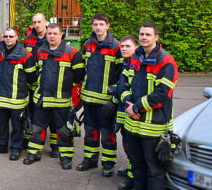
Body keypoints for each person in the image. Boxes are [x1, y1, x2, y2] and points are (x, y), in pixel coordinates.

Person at [121, 22, 177, 190]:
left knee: (154, 170)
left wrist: (136, 108)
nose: (144, 37)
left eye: (148, 34)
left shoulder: (166, 61)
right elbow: (123, 84)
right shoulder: (135, 58)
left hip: (153, 126)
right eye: (141, 34)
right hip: (133, 124)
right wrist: (127, 104)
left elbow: (162, 94)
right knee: (137, 165)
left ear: (156, 37)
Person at [24, 23, 85, 170]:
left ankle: (65, 157)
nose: (51, 36)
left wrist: (65, 88)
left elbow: (79, 76)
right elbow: (37, 72)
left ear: (61, 35)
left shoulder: (72, 52)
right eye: (49, 33)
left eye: (54, 34)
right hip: (42, 99)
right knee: (37, 128)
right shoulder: (40, 51)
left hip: (61, 101)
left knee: (63, 131)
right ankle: (33, 153)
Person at [76, 14, 123, 176]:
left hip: (106, 101)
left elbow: (122, 75)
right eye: (95, 24)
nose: (98, 27)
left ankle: (108, 164)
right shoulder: (88, 44)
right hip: (89, 99)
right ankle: (89, 160)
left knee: (107, 134)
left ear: (108, 26)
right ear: (92, 26)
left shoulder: (116, 47)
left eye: (101, 24)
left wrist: (115, 97)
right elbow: (83, 69)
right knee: (90, 132)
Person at [0, 27, 36, 161]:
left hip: (18, 99)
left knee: (17, 127)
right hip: (1, 98)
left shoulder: (25, 55)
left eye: (11, 36)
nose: (8, 39)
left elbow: (31, 77)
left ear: (17, 38)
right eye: (6, 36)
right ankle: (0, 146)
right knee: (1, 125)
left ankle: (16, 149)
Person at [24, 13, 59, 157]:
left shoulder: (51, 37)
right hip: (33, 85)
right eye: (34, 22)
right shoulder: (29, 39)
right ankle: (32, 142)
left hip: (49, 84)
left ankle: (55, 146)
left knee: (53, 118)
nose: (37, 24)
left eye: (39, 21)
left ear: (45, 22)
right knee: (33, 116)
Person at [108, 35, 139, 190]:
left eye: (128, 46)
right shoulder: (127, 63)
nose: (124, 49)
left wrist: (135, 108)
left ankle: (133, 180)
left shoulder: (138, 65)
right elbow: (122, 87)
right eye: (122, 46)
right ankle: (131, 172)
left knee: (133, 148)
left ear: (136, 48)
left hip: (135, 113)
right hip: (124, 112)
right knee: (127, 145)